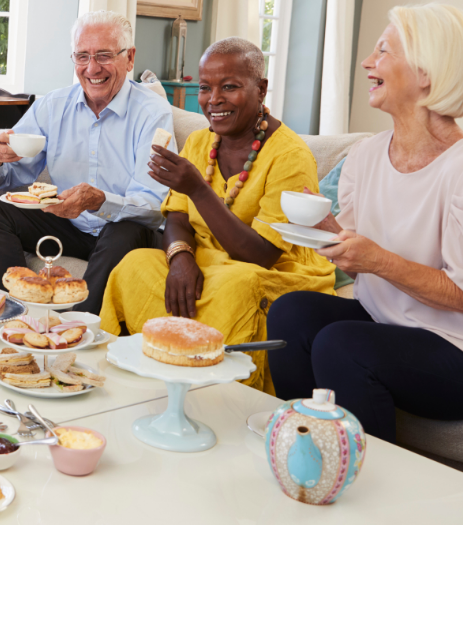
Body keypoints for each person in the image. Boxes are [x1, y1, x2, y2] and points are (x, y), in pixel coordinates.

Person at [268, 4, 463, 442]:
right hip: (393, 325)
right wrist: (323, 226)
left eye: (383, 51)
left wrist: (378, 261)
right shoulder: (366, 155)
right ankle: (300, 443)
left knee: (342, 344)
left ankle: (360, 482)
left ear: (426, 72)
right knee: (293, 311)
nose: (368, 62)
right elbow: (359, 241)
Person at [99, 37, 335, 394]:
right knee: (134, 265)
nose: (214, 100)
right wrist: (180, 257)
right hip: (207, 261)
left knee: (237, 286)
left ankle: (219, 395)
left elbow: (262, 254)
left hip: (270, 271)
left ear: (261, 89)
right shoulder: (199, 143)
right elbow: (176, 216)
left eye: (230, 87)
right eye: (205, 88)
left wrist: (198, 188)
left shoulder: (290, 157)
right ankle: (135, 377)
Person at [0, 11, 173, 315]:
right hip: (71, 225)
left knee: (124, 230)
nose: (92, 68)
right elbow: (7, 178)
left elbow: (154, 206)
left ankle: (77, 327)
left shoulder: (152, 113)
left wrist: (101, 201)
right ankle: (13, 313)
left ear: (129, 58)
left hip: (124, 230)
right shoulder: (53, 105)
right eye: (82, 56)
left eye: (104, 55)